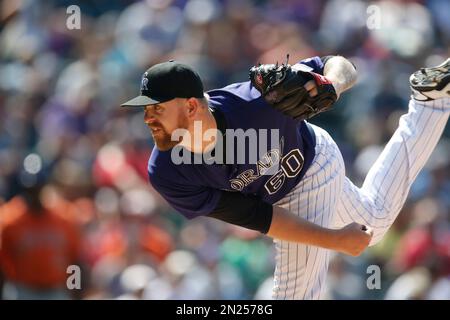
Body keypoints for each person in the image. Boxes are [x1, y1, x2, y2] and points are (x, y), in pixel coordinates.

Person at [120, 56, 450, 299]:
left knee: (296, 295)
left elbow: (340, 63)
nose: (148, 118)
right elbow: (259, 216)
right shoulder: (166, 173)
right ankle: (431, 103)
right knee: (373, 222)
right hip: (277, 200)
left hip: (313, 160)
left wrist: (330, 84)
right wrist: (335, 240)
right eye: (146, 109)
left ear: (192, 107)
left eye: (157, 108)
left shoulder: (256, 100)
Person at [0, 184, 82, 299]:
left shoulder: (64, 218)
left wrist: (75, 289)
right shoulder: (10, 219)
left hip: (55, 289)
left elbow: (75, 261)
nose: (34, 196)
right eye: (30, 191)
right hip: (23, 289)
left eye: (36, 191)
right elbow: (3, 262)